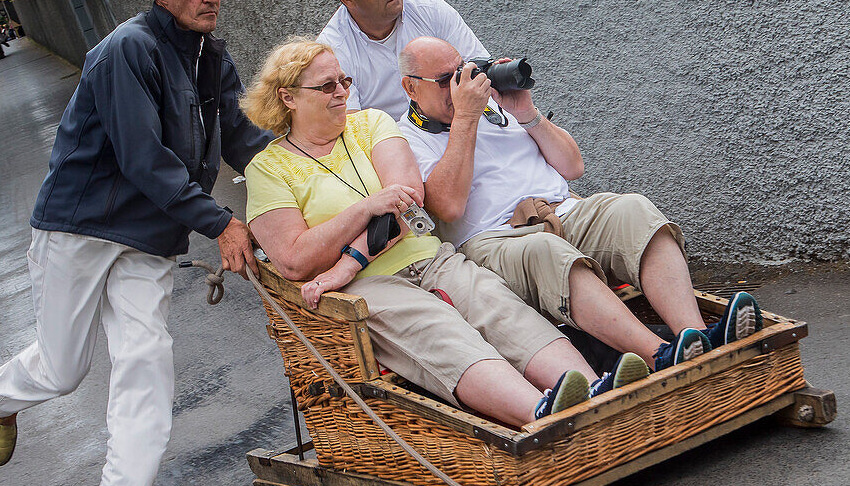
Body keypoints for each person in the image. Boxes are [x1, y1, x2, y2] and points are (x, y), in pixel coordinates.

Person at [0, 0, 273, 486]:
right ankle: (1, 396)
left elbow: (244, 141)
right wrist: (220, 221)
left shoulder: (210, 55)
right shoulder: (126, 50)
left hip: (149, 238)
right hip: (81, 226)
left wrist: (312, 177)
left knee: (147, 356)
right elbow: (143, 158)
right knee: (63, 370)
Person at [241, 39, 650, 428]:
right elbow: (294, 259)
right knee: (439, 329)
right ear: (288, 97)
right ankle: (543, 413)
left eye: (345, 81)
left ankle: (597, 392)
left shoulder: (370, 125)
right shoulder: (268, 169)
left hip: (429, 257)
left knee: (496, 305)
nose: (342, 93)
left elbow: (409, 202)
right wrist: (366, 208)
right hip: (371, 284)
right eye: (327, 85)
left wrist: (347, 259)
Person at [396, 37, 765, 373]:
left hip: (563, 209)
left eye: (461, 73)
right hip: (497, 239)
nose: (459, 86)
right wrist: (466, 119)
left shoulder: (494, 108)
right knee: (548, 250)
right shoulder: (406, 138)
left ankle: (697, 336)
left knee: (632, 209)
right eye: (445, 80)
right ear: (410, 87)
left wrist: (526, 112)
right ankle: (661, 355)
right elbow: (447, 208)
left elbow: (573, 166)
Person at [317, 0, 485, 119]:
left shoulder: (430, 8)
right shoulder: (331, 50)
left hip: (456, 118)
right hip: (389, 142)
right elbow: (350, 124)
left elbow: (480, 66)